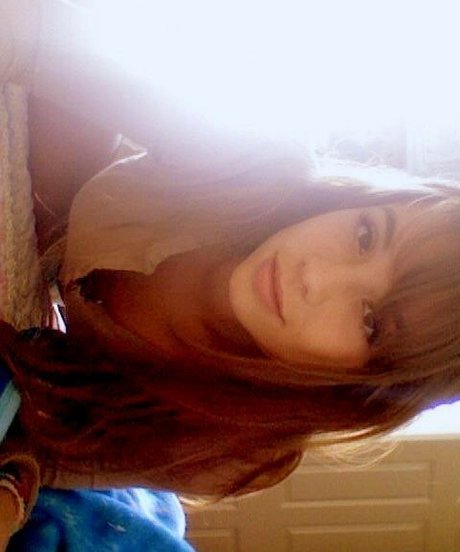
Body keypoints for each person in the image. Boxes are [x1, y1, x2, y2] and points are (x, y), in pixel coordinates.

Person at [1, 0, 460, 545]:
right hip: (64, 181)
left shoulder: (239, 447)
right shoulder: (255, 160)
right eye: (365, 234)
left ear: (368, 386)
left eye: (369, 322)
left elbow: (40, 454)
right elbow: (38, 37)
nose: (317, 276)